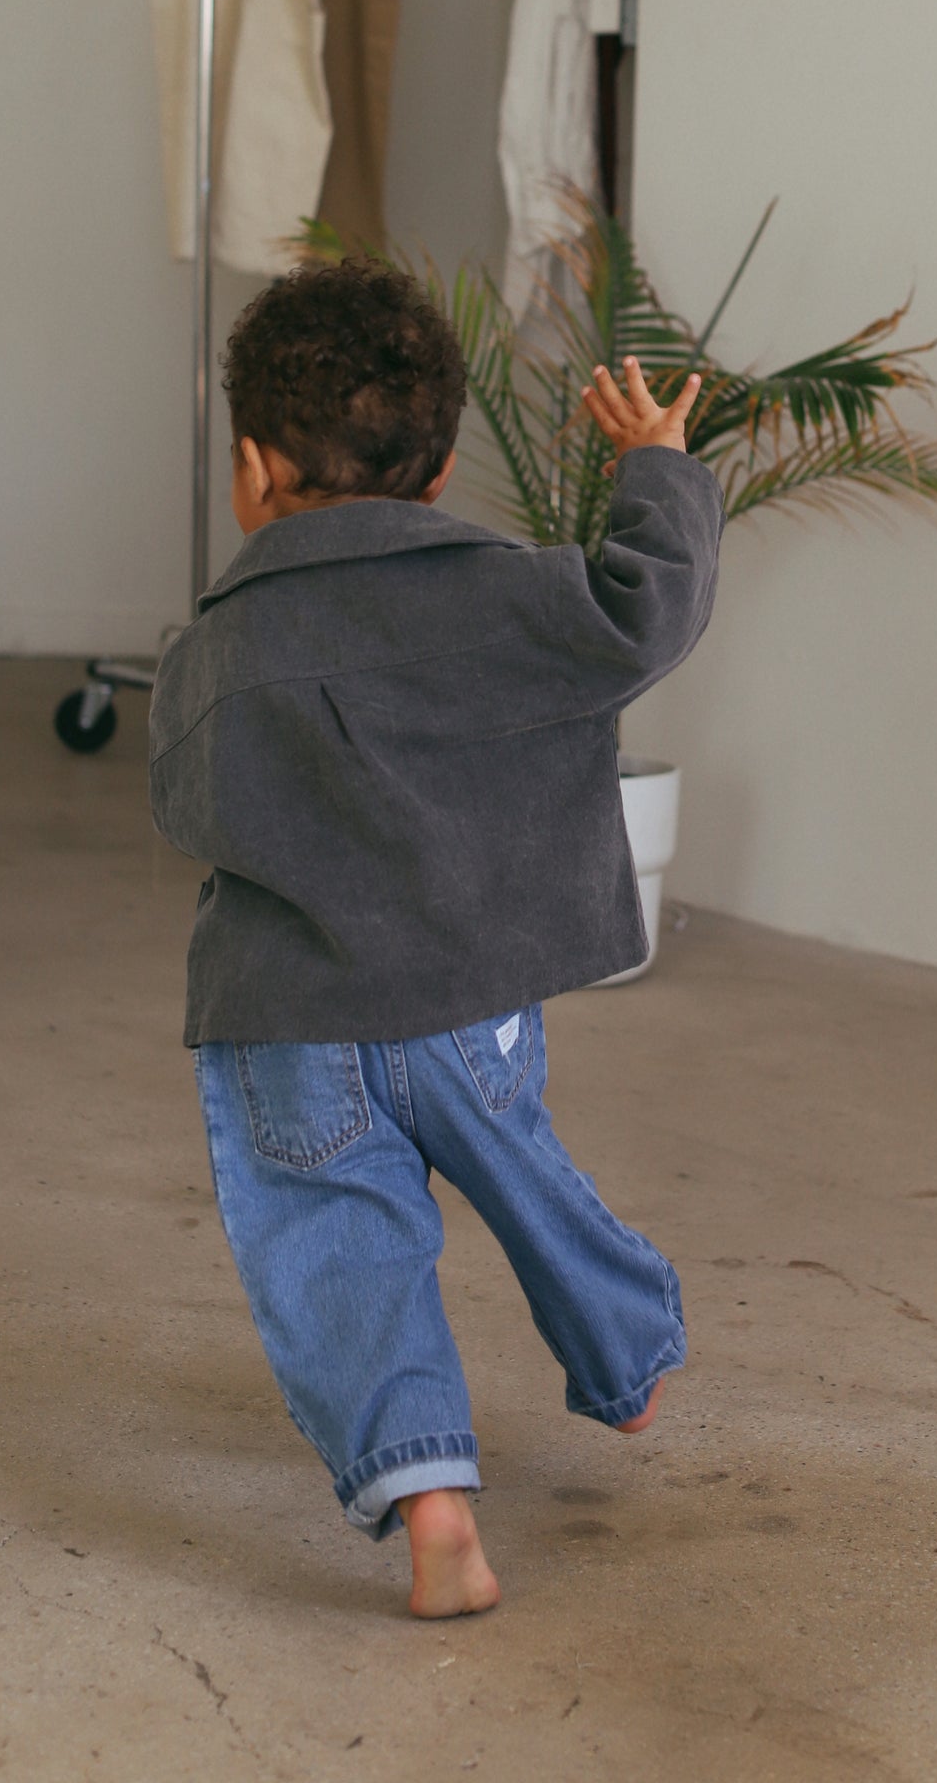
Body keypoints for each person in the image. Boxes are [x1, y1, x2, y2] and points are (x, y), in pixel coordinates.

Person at [149, 258, 722, 1617]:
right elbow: (652, 601)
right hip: (466, 995)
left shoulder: (213, 649)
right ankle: (627, 1361)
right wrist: (655, 465)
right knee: (525, 1171)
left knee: (334, 1245)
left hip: (286, 1017)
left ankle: (434, 1506)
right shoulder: (511, 594)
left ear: (249, 466)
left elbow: (186, 805)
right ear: (444, 460)